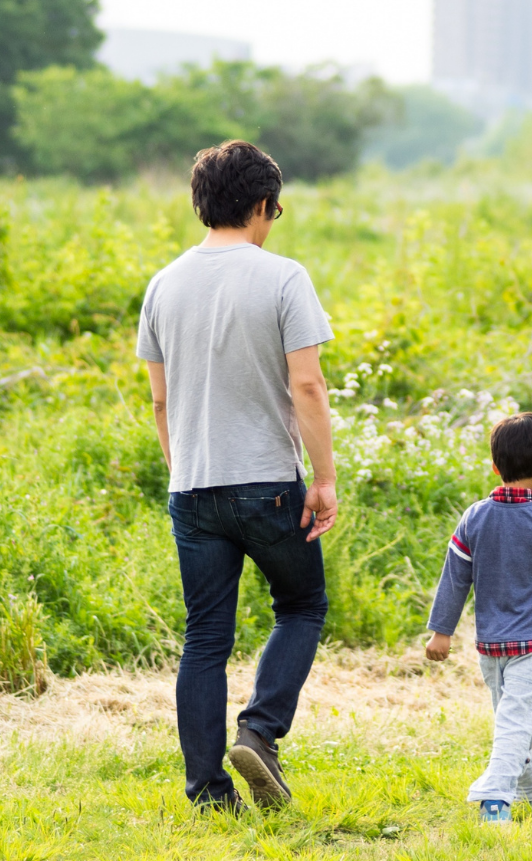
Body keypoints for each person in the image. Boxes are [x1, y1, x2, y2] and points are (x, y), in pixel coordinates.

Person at [136, 140, 337, 811]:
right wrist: (325, 478)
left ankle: (206, 792)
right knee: (303, 605)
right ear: (261, 205)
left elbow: (161, 402)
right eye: (274, 208)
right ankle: (259, 728)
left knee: (205, 638)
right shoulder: (283, 278)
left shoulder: (163, 284)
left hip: (191, 486)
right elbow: (306, 386)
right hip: (267, 483)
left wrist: (183, 470)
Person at [424, 412, 532, 823]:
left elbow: (453, 578)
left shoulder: (474, 517)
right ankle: (495, 798)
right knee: (517, 724)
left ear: (496, 467)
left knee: (514, 723)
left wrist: (440, 632)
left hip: (490, 647)